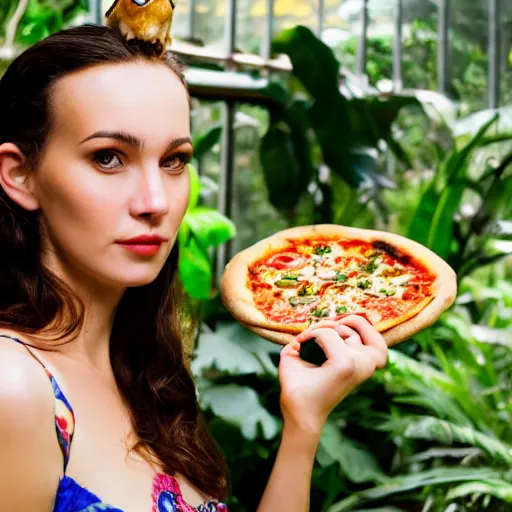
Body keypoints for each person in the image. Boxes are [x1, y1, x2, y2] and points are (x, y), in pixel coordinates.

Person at [0, 25, 388, 512]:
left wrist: (303, 424)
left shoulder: (145, 372)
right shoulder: (13, 387)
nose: (155, 202)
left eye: (174, 160)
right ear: (20, 174)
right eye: (108, 158)